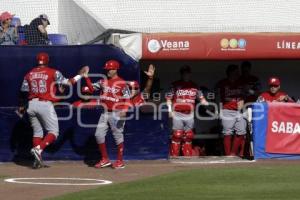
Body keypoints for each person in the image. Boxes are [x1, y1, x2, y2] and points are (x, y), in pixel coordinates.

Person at [18, 52, 89, 169]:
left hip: (31, 105)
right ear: (47, 61)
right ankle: (38, 149)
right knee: (53, 132)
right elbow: (69, 83)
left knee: (37, 133)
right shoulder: (53, 72)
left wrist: (21, 106)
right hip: (45, 104)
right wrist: (80, 75)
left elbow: (23, 92)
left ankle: (37, 160)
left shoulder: (29, 74)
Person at [83, 60, 131, 169]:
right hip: (105, 112)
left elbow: (128, 98)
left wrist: (125, 109)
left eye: (110, 69)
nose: (108, 71)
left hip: (117, 112)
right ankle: (105, 159)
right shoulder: (103, 81)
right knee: (98, 135)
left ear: (115, 69)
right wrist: (86, 77)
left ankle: (120, 161)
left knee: (117, 137)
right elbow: (91, 89)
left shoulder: (122, 83)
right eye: (107, 69)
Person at [166, 65, 208, 157]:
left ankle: (187, 156)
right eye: (184, 73)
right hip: (177, 113)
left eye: (187, 73)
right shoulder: (175, 85)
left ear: (190, 74)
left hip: (189, 114)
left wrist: (208, 105)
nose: (186, 75)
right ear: (181, 74)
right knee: (177, 135)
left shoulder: (195, 86)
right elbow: (168, 98)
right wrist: (170, 111)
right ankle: (175, 156)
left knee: (188, 136)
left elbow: (201, 99)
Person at [216, 64, 247, 157]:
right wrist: (219, 110)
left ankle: (232, 153)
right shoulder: (222, 83)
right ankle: (228, 154)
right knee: (227, 132)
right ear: (230, 72)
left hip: (239, 111)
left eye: (237, 72)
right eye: (235, 72)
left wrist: (242, 100)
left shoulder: (241, 83)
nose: (237, 74)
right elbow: (217, 97)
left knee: (242, 131)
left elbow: (244, 95)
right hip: (227, 110)